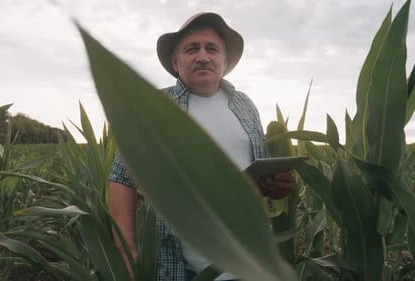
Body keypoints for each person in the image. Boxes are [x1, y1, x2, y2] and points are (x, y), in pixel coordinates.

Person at [108, 12, 296, 281]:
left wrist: (278, 185)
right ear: (175, 62)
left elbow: (259, 174)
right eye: (191, 49)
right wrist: (127, 253)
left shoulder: (245, 105)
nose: (203, 56)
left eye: (212, 48)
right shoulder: (153, 108)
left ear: (224, 60)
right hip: (179, 267)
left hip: (249, 262)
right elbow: (121, 179)